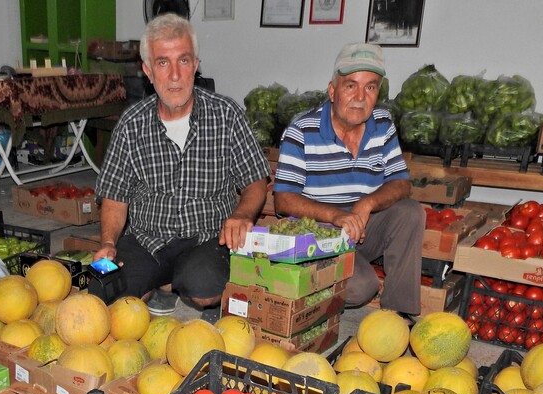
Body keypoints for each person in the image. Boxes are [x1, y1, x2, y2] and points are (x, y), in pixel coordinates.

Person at [90, 13, 270, 319]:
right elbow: (115, 197)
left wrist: (240, 215)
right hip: (148, 236)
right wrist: (108, 242)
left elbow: (255, 182)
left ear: (196, 65)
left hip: (207, 237)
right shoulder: (132, 124)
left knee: (203, 286)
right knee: (104, 294)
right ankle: (164, 282)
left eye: (183, 61)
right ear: (148, 70)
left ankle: (186, 288)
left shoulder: (226, 115)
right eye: (163, 63)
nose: (175, 75)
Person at [273, 42, 424, 315]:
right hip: (319, 238)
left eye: (371, 87)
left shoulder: (383, 126)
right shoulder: (302, 131)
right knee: (359, 288)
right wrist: (335, 216)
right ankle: (303, 300)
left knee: (410, 212)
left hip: (363, 231)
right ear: (332, 91)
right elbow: (283, 200)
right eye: (350, 85)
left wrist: (366, 204)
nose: (360, 96)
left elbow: (401, 183)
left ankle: (399, 315)